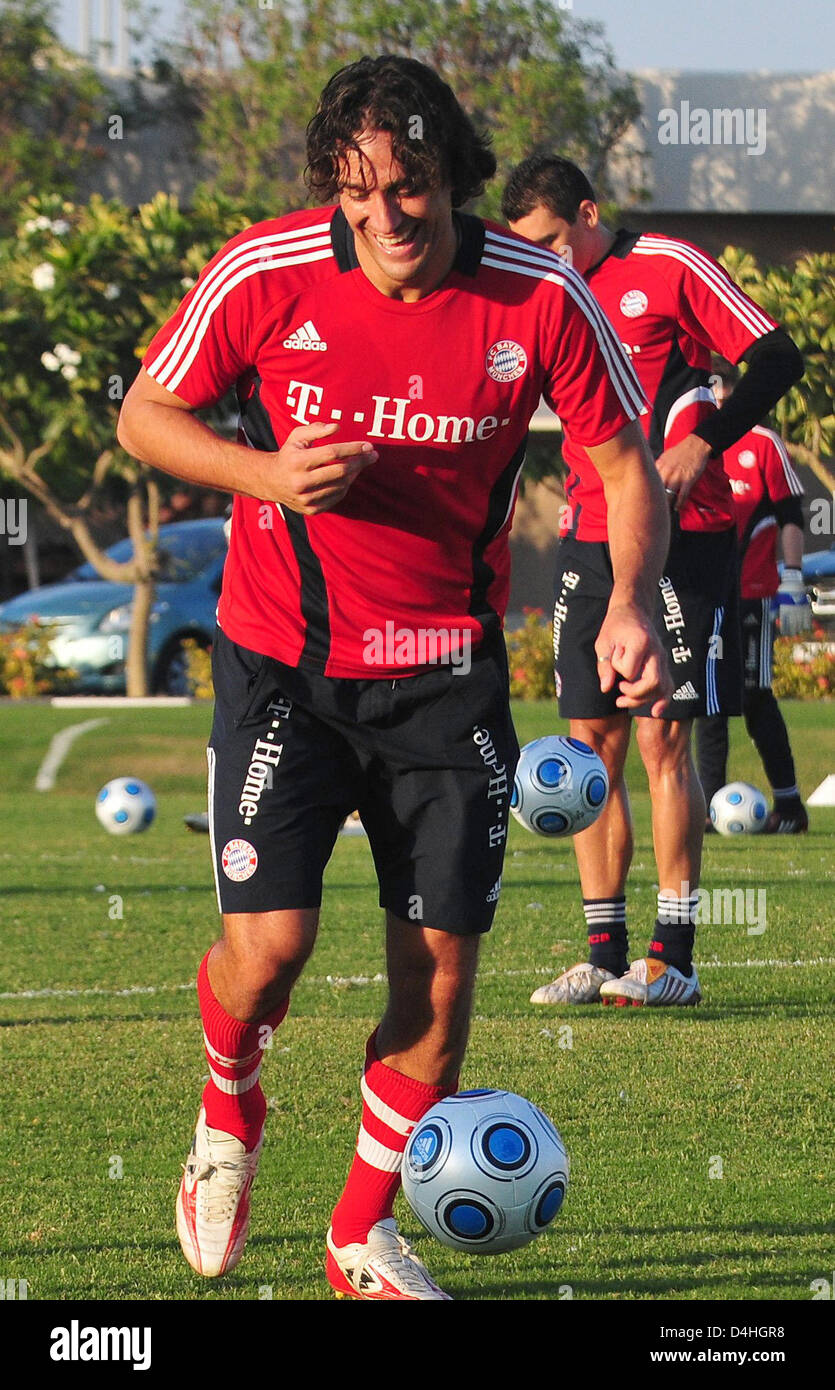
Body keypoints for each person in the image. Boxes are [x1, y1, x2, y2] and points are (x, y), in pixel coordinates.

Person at [117, 57, 670, 1301]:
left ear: (454, 180)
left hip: (447, 687)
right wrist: (262, 476)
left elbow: (622, 460)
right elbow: (144, 417)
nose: (384, 216)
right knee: (268, 952)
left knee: (439, 984)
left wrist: (631, 599)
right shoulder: (265, 273)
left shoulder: (537, 297)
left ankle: (356, 1235)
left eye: (409, 187)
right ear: (333, 188)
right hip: (284, 668)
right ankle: (227, 1115)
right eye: (357, 191)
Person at [502, 154, 804, 1009]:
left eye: (556, 240)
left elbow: (780, 361)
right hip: (588, 539)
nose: (548, 260)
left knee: (660, 739)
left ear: (589, 213)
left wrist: (706, 441)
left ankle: (673, 958)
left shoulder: (668, 267)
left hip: (685, 535)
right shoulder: (539, 291)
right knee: (586, 746)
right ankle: (603, 953)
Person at [696, 359, 809, 834]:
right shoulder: (690, 445)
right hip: (703, 596)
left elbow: (789, 515)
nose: (718, 401)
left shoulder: (763, 443)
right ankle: (703, 811)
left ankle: (790, 807)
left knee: (755, 695)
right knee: (706, 702)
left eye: (725, 393)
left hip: (754, 594)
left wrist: (794, 581)